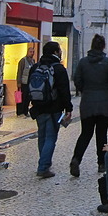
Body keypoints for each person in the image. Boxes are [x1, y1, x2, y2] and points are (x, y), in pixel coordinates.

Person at [70, 34, 108, 177]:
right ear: (103, 46)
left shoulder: (83, 62)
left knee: (85, 133)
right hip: (104, 103)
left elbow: (76, 79)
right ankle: (101, 163)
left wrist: (85, 90)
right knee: (101, 134)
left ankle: (76, 159)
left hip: (88, 102)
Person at [29, 41, 73, 178]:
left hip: (38, 107)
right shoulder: (59, 69)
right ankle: (43, 167)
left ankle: (43, 161)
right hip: (54, 108)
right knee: (51, 137)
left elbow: (28, 87)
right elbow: (64, 90)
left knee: (42, 136)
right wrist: (68, 108)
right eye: (59, 50)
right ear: (55, 52)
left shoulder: (36, 67)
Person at [16, 45, 36, 117]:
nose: (32, 53)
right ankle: (20, 112)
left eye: (33, 52)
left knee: (28, 98)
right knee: (22, 97)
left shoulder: (33, 61)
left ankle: (25, 111)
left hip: (30, 82)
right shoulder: (23, 60)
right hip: (23, 82)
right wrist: (18, 82)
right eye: (31, 52)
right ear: (27, 52)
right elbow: (19, 71)